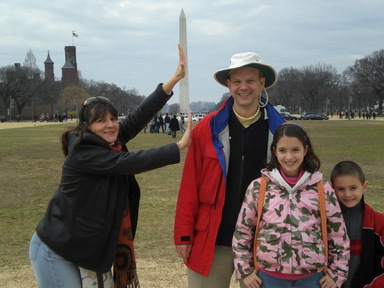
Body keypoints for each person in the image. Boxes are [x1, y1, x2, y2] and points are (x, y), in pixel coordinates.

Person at [29, 44, 192, 288]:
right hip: (57, 250)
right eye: (101, 121)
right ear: (86, 126)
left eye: (113, 119)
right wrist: (178, 146)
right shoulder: (83, 150)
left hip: (86, 249)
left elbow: (138, 116)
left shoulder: (111, 143)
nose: (111, 125)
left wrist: (174, 80)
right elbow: (127, 162)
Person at [174, 51, 285, 287]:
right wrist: (184, 235)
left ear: (261, 83)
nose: (243, 87)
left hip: (263, 240)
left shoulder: (281, 131)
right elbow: (189, 185)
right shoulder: (208, 127)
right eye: (237, 81)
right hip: (213, 238)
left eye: (250, 81)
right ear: (228, 85)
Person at [232, 123, 350, 288]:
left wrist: (336, 274)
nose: (289, 157)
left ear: (305, 150)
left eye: (295, 150)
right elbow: (242, 233)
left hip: (313, 280)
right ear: (274, 151)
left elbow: (338, 236)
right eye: (282, 150)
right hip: (269, 279)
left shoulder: (322, 188)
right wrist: (245, 271)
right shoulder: (258, 188)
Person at [330, 161, 384, 288]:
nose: (347, 194)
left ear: (364, 186)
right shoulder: (324, 221)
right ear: (332, 190)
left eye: (353, 188)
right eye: (341, 189)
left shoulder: (378, 222)